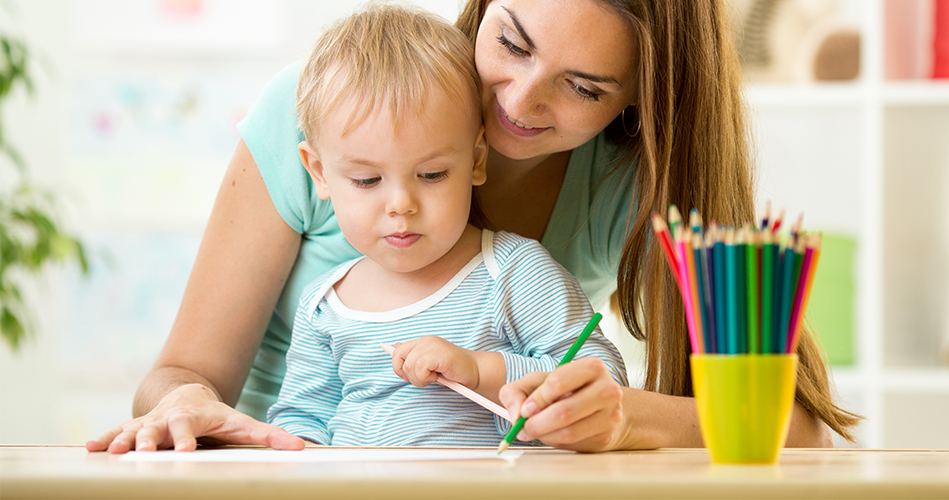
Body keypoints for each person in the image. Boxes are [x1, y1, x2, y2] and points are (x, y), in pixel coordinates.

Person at [88, 0, 859, 454]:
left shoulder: (633, 184)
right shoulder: (338, 112)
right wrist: (183, 404)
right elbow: (180, 374)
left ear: (634, 103)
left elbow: (794, 429)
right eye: (512, 43)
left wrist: (617, 416)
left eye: (582, 87)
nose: (519, 102)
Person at [265, 2, 626, 446]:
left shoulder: (514, 273)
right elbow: (300, 421)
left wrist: (481, 369)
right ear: (319, 172)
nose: (401, 205)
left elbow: (601, 381)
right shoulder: (323, 305)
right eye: (366, 180)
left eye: (432, 174)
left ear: (476, 159)